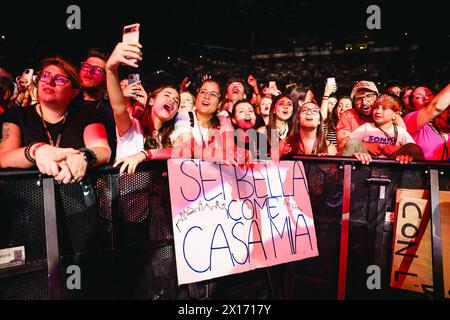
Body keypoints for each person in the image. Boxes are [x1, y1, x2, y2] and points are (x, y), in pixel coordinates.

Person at [0, 57, 111, 184]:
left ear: (74, 92)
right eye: (45, 75)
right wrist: (36, 151)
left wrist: (85, 157)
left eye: (60, 79)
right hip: (27, 199)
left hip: (75, 198)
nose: (50, 81)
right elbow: (3, 157)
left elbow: (103, 150)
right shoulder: (16, 115)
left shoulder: (88, 114)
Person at [105, 41, 180, 161]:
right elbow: (118, 109)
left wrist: (145, 155)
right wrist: (111, 69)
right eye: (167, 95)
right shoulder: (133, 127)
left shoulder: (172, 137)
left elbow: (185, 152)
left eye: (176, 101)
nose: (172, 100)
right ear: (151, 101)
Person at [343, 93, 424, 164]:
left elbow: (414, 150)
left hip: (392, 169)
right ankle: (339, 178)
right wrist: (364, 146)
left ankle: (424, 180)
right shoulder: (367, 128)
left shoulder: (401, 132)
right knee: (353, 142)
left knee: (413, 148)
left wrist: (401, 152)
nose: (378, 111)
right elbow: (345, 144)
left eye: (384, 108)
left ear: (395, 114)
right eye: (376, 107)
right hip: (366, 166)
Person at [78, 48, 118, 161]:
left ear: (107, 78)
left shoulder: (111, 110)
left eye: (97, 70)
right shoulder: (67, 104)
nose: (89, 72)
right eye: (86, 66)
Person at [403, 83, 450, 160]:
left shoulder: (441, 124)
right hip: (419, 170)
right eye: (418, 97)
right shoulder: (409, 119)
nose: (426, 98)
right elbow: (436, 107)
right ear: (412, 106)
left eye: (429, 95)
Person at [336, 80, 379, 151]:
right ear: (354, 102)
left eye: (369, 96)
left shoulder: (388, 114)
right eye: (359, 99)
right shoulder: (348, 115)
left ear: (377, 98)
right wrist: (365, 145)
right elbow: (342, 145)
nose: (364, 102)